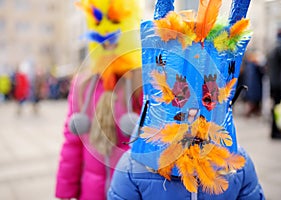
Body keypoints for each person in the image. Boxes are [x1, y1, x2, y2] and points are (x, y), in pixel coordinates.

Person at [108, 0, 265, 199]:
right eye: (179, 98)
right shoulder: (133, 169)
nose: (193, 112)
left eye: (207, 99)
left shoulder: (239, 167)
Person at [55, 0, 142, 199]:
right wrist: (65, 191)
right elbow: (72, 142)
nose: (105, 31)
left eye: (114, 21)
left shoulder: (142, 82)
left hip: (130, 191)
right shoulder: (83, 83)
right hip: (91, 191)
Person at [266, 28, 281, 139]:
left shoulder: (272, 48)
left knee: (275, 106)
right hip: (279, 83)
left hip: (273, 82)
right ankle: (277, 131)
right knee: (279, 107)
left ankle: (275, 130)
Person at [243, 50, 265, 117]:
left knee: (252, 100)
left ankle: (253, 111)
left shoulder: (248, 65)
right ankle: (253, 111)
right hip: (255, 87)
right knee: (254, 100)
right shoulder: (255, 65)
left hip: (250, 87)